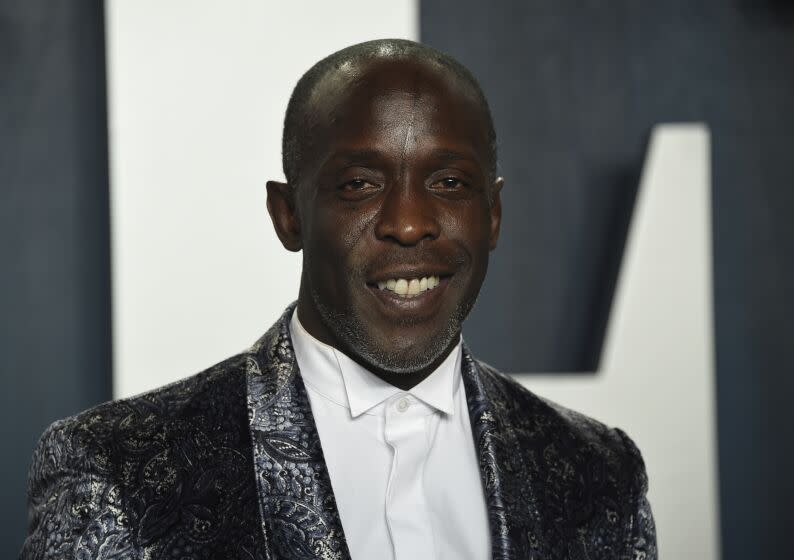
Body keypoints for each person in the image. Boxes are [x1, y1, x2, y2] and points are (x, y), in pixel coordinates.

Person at [21, 39, 656, 560]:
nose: (409, 223)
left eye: (449, 182)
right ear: (288, 215)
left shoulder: (600, 474)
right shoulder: (117, 472)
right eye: (359, 184)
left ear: (493, 214)